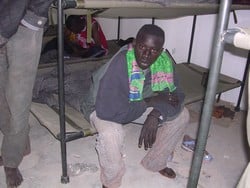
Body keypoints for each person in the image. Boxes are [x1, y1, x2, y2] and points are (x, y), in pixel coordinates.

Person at [80, 24, 190, 188]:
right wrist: (150, 102)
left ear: (160, 51)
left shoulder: (164, 62)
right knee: (111, 135)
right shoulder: (121, 63)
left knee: (183, 115)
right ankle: (111, 182)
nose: (146, 55)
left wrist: (156, 114)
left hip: (136, 101)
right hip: (101, 106)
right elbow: (108, 112)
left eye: (153, 50)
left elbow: (178, 95)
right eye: (142, 47)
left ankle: (155, 162)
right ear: (134, 44)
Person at [0, 0, 54, 187]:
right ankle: (20, 146)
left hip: (26, 21)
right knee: (1, 96)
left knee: (18, 98)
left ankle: (11, 160)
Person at [41, 15, 108, 61]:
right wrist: (73, 44)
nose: (73, 32)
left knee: (95, 51)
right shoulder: (73, 25)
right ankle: (42, 57)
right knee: (56, 41)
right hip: (78, 48)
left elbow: (98, 45)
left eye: (74, 30)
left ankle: (72, 56)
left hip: (92, 49)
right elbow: (65, 37)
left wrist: (79, 49)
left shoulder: (92, 25)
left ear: (79, 25)